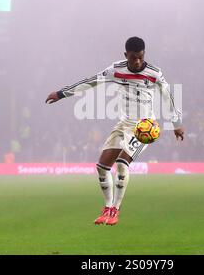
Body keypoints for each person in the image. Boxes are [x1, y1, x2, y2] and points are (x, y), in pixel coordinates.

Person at [46, 37, 184, 225]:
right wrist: (62, 93)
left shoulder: (155, 73)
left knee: (121, 163)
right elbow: (91, 81)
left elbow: (168, 98)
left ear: (144, 55)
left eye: (141, 57)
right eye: (133, 57)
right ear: (125, 55)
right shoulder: (116, 70)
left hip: (145, 127)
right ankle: (107, 208)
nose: (137, 61)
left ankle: (116, 211)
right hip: (123, 124)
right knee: (101, 166)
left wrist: (176, 124)